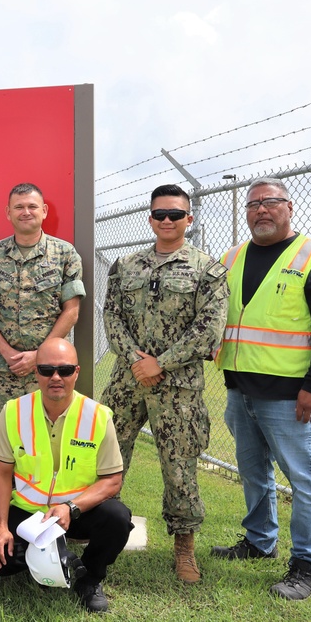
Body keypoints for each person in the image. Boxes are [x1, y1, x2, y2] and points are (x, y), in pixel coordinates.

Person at [212, 177, 311, 601]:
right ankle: (259, 541)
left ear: (290, 207)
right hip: (239, 390)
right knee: (253, 473)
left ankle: (309, 564)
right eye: (253, 204)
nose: (261, 210)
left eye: (270, 202)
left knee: (304, 480)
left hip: (291, 397)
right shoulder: (231, 258)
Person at [101, 184, 228, 584]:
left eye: (176, 214)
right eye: (160, 214)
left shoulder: (208, 270)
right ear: (150, 219)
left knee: (179, 468)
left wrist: (161, 363)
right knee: (106, 457)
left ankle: (184, 547)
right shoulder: (126, 265)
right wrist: (135, 361)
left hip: (178, 387)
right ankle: (102, 533)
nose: (168, 221)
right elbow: (111, 316)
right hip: (127, 380)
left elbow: (209, 329)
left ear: (189, 219)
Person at [0, 338, 132, 613]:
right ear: (36, 372)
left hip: (76, 513)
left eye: (64, 370)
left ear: (76, 372)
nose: (56, 377)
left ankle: (89, 578)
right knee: (0, 565)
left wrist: (70, 508)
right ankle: (57, 558)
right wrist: (1, 526)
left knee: (117, 518)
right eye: (46, 370)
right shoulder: (13, 412)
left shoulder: (98, 416)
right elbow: (2, 474)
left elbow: (112, 480)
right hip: (29, 513)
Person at [0, 182, 84, 447]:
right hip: (2, 370)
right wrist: (6, 351)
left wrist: (39, 356)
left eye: (32, 206)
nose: (26, 212)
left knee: (46, 443)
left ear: (44, 210)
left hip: (48, 374)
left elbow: (71, 311)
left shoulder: (65, 254)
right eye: (19, 207)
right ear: (8, 213)